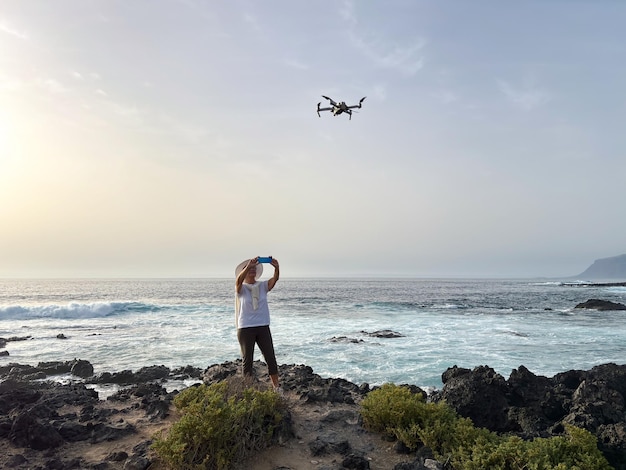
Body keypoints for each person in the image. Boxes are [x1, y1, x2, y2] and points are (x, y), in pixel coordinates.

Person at [235, 256, 281, 393]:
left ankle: (277, 389)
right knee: (247, 361)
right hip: (245, 327)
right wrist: (248, 266)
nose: (252, 270)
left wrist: (277, 268)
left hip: (262, 326)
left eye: (254, 269)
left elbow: (275, 280)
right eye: (250, 269)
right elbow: (238, 281)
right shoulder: (241, 288)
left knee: (270, 358)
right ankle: (247, 391)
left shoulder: (262, 286)